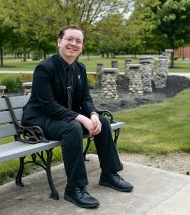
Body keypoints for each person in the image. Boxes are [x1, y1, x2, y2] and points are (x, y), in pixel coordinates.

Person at [21, 25, 133, 209]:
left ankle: (109, 175)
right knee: (72, 128)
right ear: (59, 42)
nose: (73, 44)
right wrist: (80, 118)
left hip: (61, 116)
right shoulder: (44, 68)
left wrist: (93, 114)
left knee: (103, 122)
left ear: (82, 46)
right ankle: (75, 188)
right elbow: (48, 105)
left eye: (78, 41)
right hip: (39, 119)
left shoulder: (79, 68)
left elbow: (85, 98)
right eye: (69, 39)